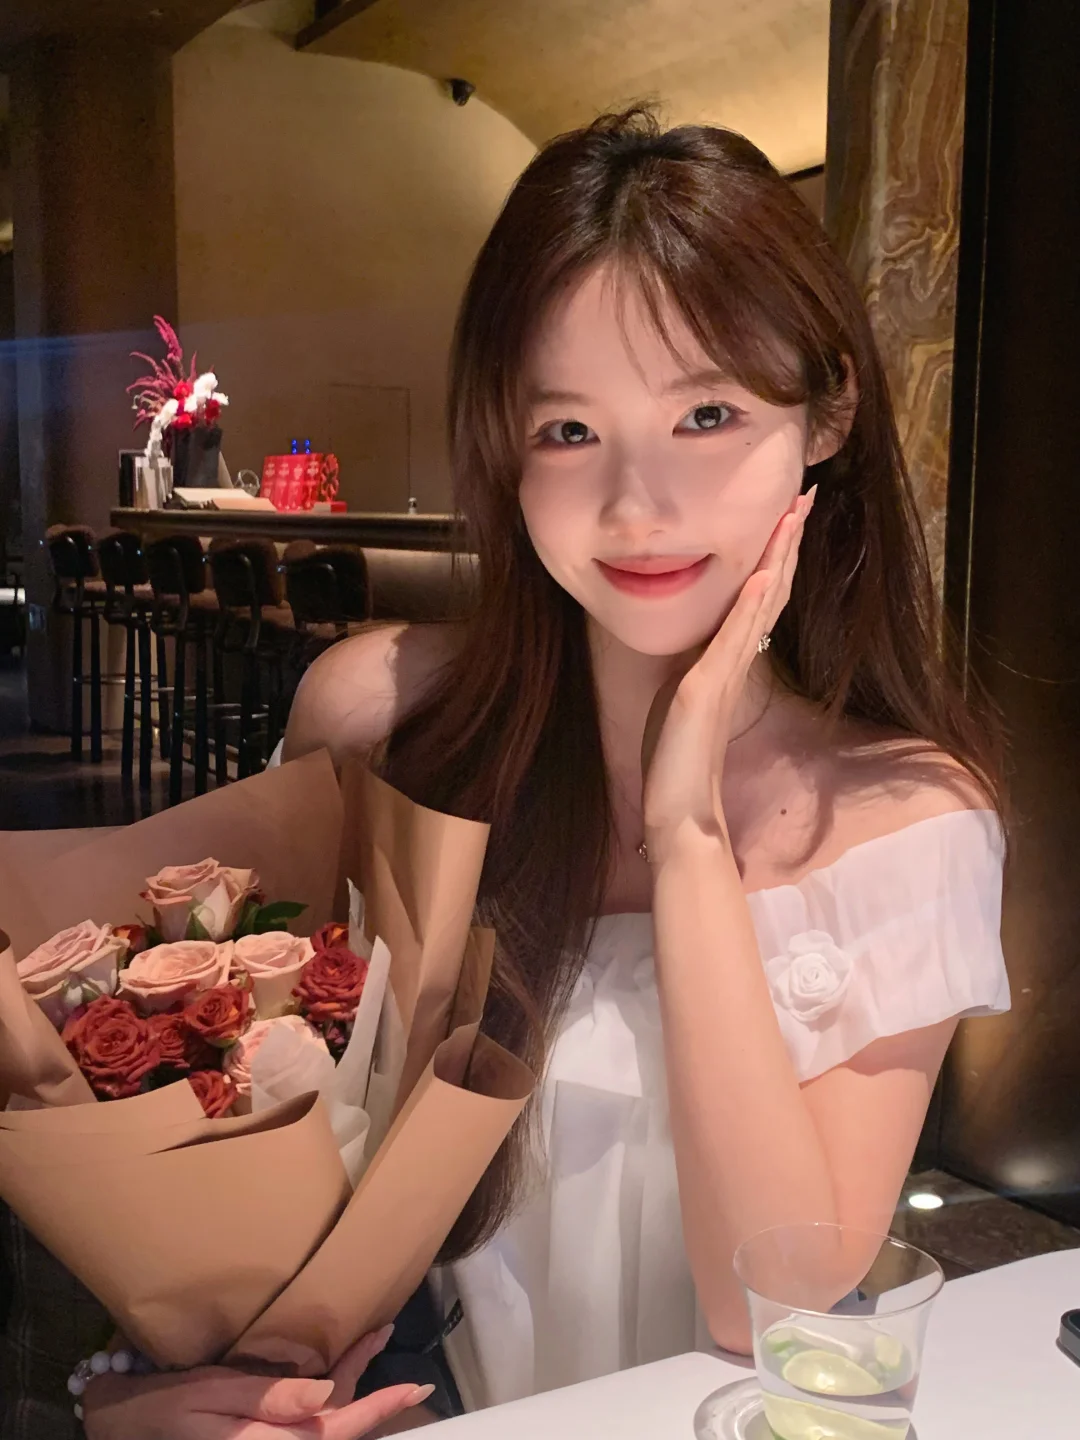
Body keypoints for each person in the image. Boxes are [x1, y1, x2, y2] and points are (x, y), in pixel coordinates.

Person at [89, 106, 1011, 1435]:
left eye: (707, 412)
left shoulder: (903, 821)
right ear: (501, 445)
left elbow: (773, 1306)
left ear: (827, 416)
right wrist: (145, 1392)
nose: (638, 505)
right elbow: (237, 1121)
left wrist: (688, 833)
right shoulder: (382, 721)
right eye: (569, 431)